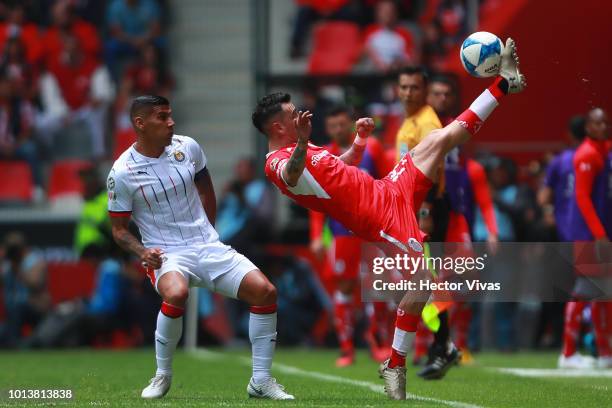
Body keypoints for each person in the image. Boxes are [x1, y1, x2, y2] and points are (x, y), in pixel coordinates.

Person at [255, 39, 525, 400]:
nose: (300, 115)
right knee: (422, 282)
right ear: (277, 127)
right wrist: (303, 143)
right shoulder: (275, 162)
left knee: (440, 139)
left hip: (387, 189)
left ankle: (505, 82)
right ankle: (396, 364)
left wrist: (360, 142)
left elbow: (341, 167)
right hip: (375, 216)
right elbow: (292, 175)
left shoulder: (307, 145)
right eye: (292, 114)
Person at [108, 95, 294, 400]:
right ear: (140, 124)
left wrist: (209, 234)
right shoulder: (122, 172)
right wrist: (143, 253)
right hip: (165, 253)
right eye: (161, 117)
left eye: (170, 115)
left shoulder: (188, 147)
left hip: (207, 245)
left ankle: (260, 381)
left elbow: (206, 189)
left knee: (266, 291)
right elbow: (118, 230)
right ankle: (162, 375)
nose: (171, 122)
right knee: (177, 293)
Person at [309, 105, 392, 366]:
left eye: (342, 124)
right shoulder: (324, 156)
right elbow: (317, 200)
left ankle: (378, 342)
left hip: (372, 230)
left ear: (352, 124)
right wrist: (315, 236)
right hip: (341, 232)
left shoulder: (374, 148)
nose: (338, 130)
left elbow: (389, 181)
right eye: (333, 126)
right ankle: (346, 348)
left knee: (377, 286)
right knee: (344, 287)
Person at [560, 107, 612, 369]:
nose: (602, 127)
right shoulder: (587, 155)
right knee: (583, 291)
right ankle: (568, 354)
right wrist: (600, 234)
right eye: (597, 123)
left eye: (605, 123)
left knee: (604, 292)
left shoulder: (603, 152)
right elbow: (581, 197)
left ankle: (605, 354)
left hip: (600, 232)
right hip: (588, 234)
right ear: (588, 128)